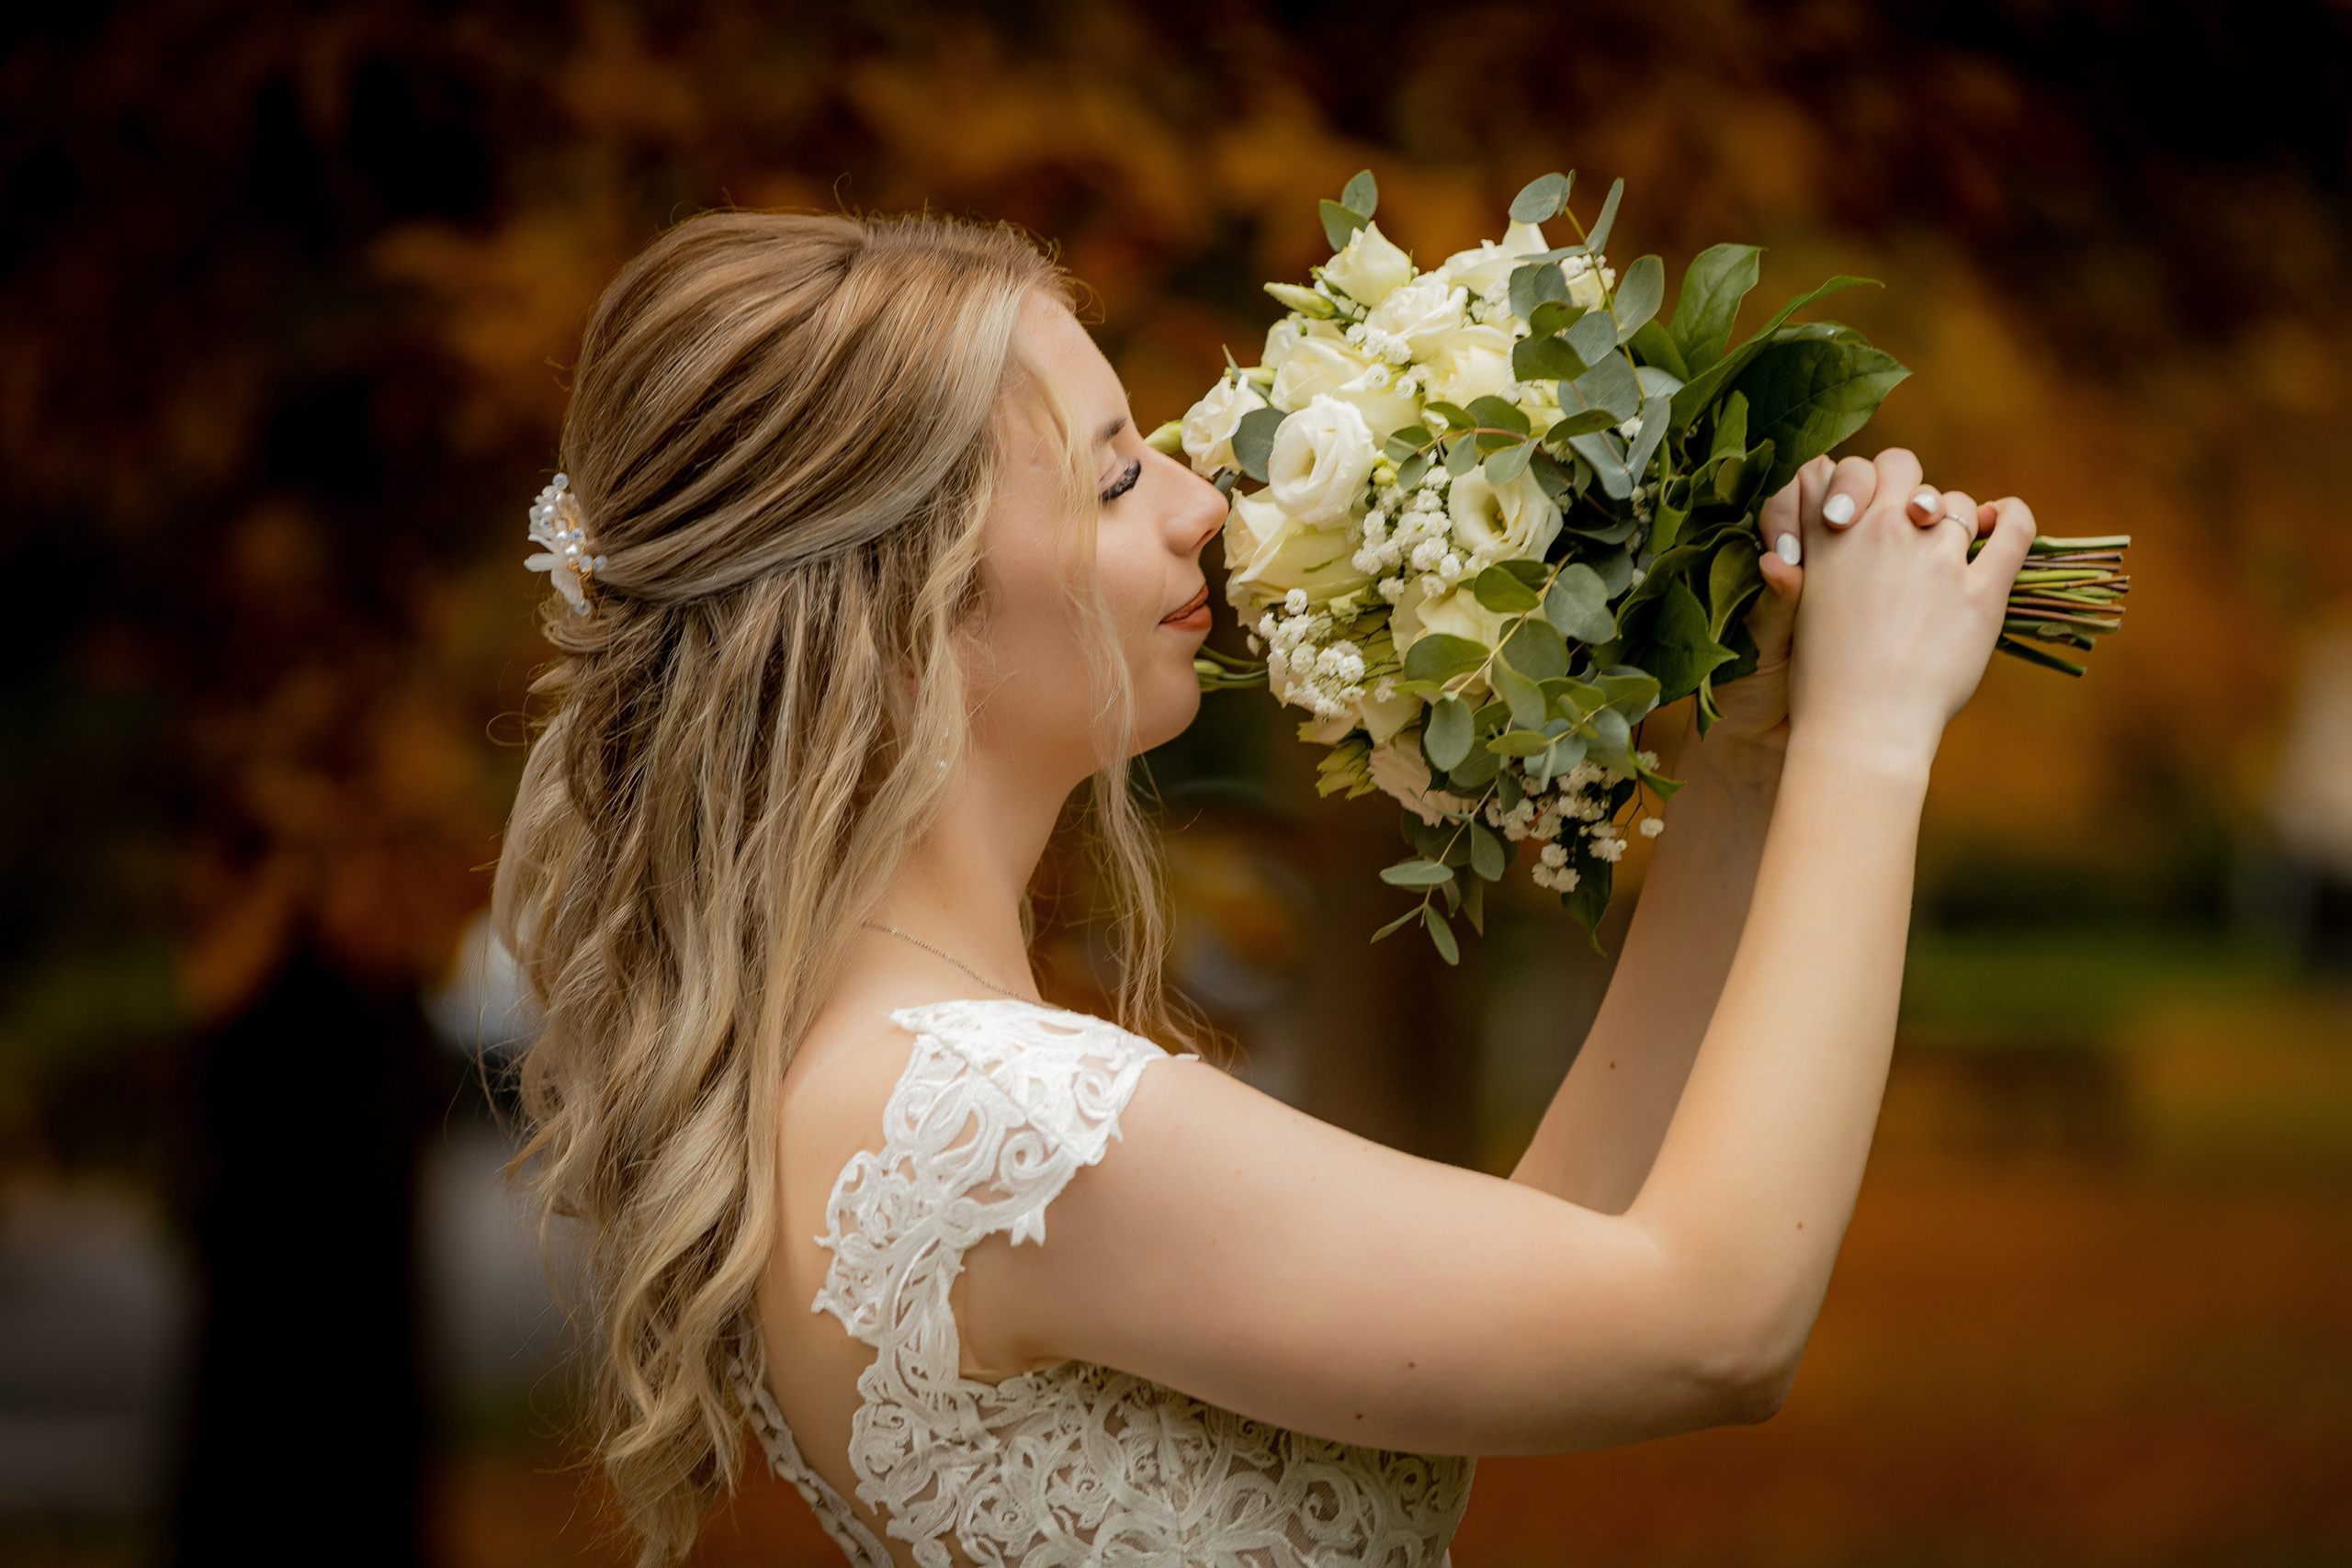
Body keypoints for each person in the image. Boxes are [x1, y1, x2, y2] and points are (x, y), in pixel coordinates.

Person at [492, 209, 2036, 1568]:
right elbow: (1712, 1327)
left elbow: (1564, 1269)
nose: (1198, 505)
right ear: (910, 612)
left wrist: (1750, 765)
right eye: (1110, 483)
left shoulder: (888, 1087)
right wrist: (1874, 740)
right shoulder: (993, 1123)